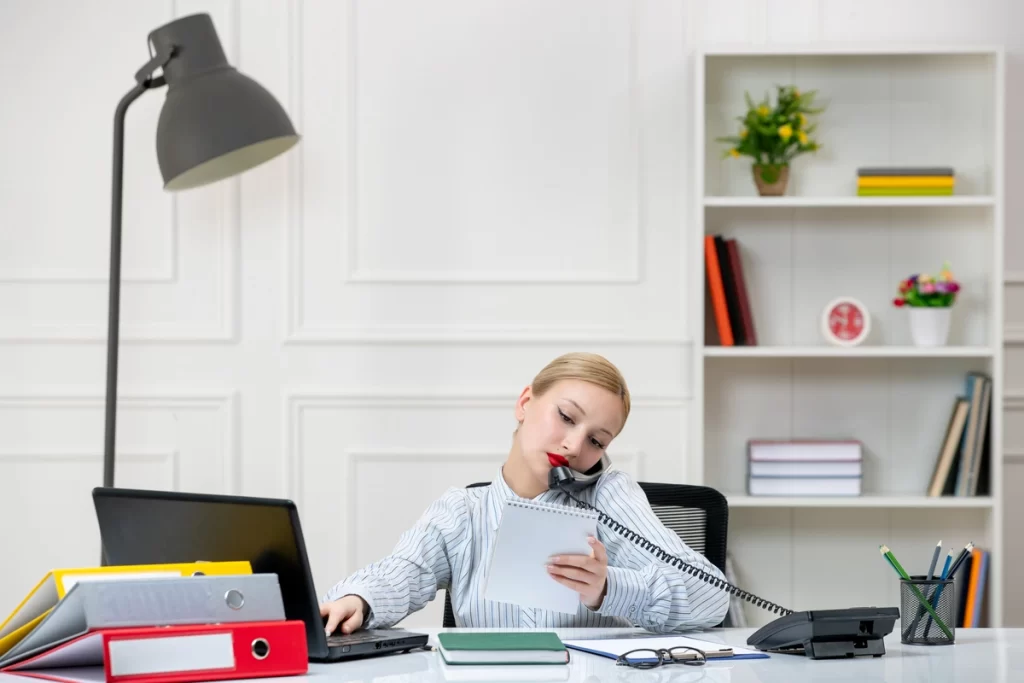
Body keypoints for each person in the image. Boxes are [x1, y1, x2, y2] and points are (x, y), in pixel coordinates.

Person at [319, 352, 730, 635]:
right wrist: (360, 598)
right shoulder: (463, 512)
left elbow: (712, 599)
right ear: (525, 402)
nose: (573, 445)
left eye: (597, 441)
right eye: (566, 417)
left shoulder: (609, 497)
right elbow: (401, 573)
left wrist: (609, 588)